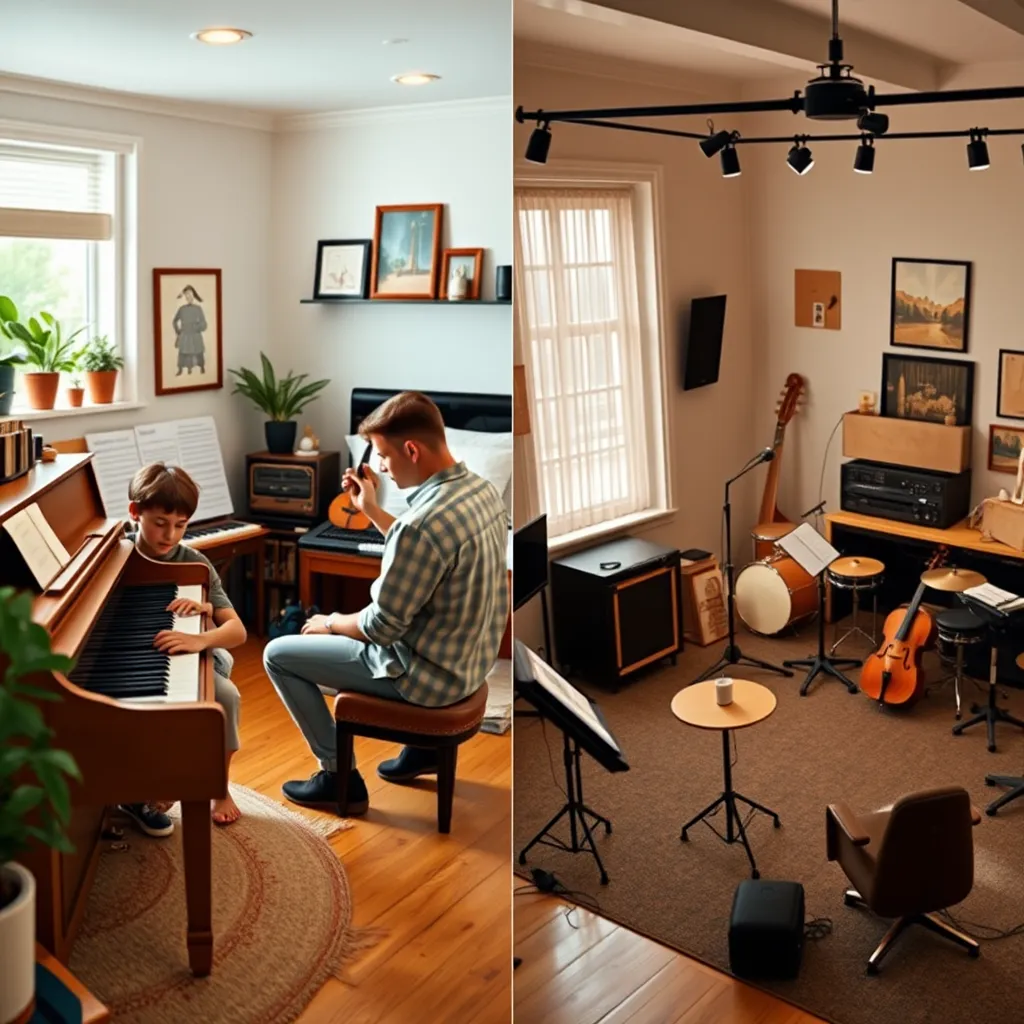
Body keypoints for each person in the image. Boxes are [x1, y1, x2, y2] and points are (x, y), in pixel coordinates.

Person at [263, 391, 508, 815]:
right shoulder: (480, 492)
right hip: (468, 664)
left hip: (425, 680)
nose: (379, 467)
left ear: (411, 449)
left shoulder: (420, 525)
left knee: (277, 653)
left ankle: (338, 775)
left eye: (383, 455)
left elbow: (380, 628)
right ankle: (423, 751)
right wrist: (372, 510)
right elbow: (431, 552)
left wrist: (329, 621)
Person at [119, 463, 246, 835]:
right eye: (160, 522)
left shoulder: (194, 561)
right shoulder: (115, 554)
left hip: (198, 651)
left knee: (226, 697)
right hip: (139, 649)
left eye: (181, 525)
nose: (170, 534)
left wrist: (202, 635)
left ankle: (219, 788)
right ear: (135, 512)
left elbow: (236, 630)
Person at [173, 285, 207, 375]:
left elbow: (204, 323)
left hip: (195, 335)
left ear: (194, 295)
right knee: (184, 352)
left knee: (198, 352)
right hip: (185, 335)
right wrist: (178, 331)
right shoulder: (182, 309)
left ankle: (201, 367)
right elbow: (174, 321)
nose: (188, 296)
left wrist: (197, 327)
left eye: (190, 293)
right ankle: (181, 369)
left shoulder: (198, 309)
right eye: (186, 294)